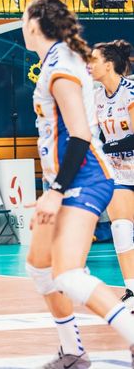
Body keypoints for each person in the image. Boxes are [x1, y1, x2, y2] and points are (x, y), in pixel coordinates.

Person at [22, 0, 134, 368]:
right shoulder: (57, 61)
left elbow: (81, 135)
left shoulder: (62, 66)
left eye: (23, 18)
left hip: (85, 178)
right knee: (40, 268)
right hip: (66, 179)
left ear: (34, 24)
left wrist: (55, 192)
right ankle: (73, 352)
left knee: (68, 273)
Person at [90, 39, 134, 313]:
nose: (89, 64)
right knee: (120, 227)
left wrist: (106, 147)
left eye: (94, 59)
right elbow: (92, 135)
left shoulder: (130, 92)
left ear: (109, 65)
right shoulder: (96, 97)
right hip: (119, 172)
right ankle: (132, 290)